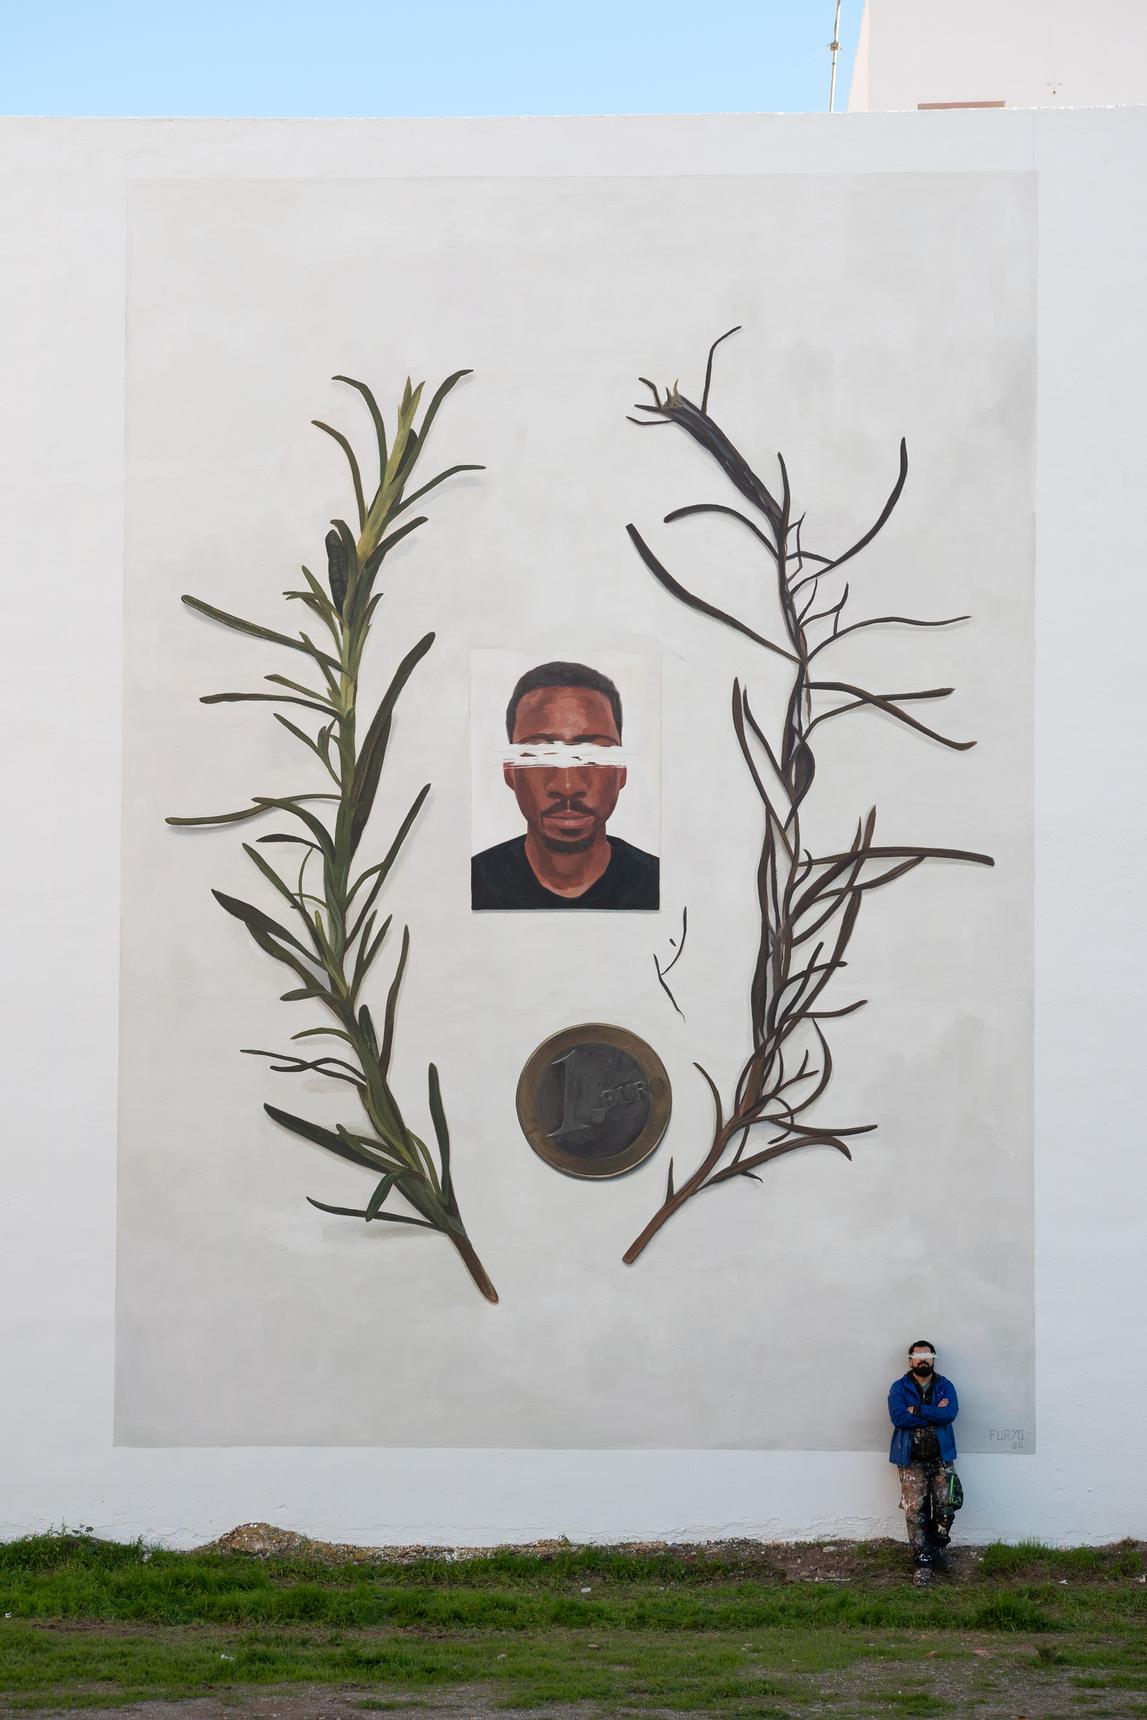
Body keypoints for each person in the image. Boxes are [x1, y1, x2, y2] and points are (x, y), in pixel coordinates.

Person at [471, 660, 660, 911]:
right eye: (539, 754)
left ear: (621, 770)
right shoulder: (473, 883)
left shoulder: (661, 885)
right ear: (510, 771)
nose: (568, 785)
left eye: (594, 754)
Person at [887, 1340, 959, 1584]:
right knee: (915, 1512)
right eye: (918, 1356)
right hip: (911, 1461)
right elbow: (899, 1417)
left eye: (928, 1356)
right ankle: (923, 1562)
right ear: (910, 1361)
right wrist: (934, 1413)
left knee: (947, 1506)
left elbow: (949, 1414)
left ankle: (937, 1547)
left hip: (941, 1459)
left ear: (933, 1359)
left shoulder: (945, 1386)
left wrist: (916, 1410)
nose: (923, 1360)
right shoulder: (899, 1387)